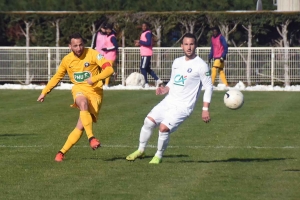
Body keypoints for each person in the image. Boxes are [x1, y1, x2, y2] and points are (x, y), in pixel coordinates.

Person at [126, 33, 213, 164]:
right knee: (148, 122)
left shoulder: (201, 65)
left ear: (196, 46)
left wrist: (205, 109)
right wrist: (164, 89)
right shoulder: (177, 62)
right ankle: (141, 150)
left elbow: (209, 86)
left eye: (191, 44)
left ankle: (158, 156)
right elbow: (173, 81)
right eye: (186, 44)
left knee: (163, 128)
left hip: (184, 106)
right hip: (169, 101)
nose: (189, 47)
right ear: (181, 46)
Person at [37, 33, 114, 162]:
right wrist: (45, 91)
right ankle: (91, 138)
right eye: (75, 46)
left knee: (80, 126)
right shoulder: (67, 60)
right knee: (82, 103)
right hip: (79, 89)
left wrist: (94, 78)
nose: (78, 48)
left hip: (95, 93)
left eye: (80, 45)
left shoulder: (93, 54)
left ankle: (61, 153)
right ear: (70, 46)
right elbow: (57, 77)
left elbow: (109, 70)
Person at [135, 22, 163, 88]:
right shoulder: (144, 33)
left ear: (147, 26)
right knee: (147, 68)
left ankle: (146, 83)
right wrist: (139, 44)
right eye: (142, 26)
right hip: (144, 53)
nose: (143, 27)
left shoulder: (148, 33)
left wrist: (140, 42)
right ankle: (158, 80)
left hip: (146, 53)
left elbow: (148, 43)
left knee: (142, 68)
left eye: (145, 26)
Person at [102, 23, 118, 88]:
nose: (107, 31)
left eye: (109, 29)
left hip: (111, 55)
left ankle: (106, 84)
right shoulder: (106, 36)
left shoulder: (112, 37)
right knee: (104, 68)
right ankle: (114, 73)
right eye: (106, 29)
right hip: (106, 55)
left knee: (107, 70)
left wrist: (107, 49)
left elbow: (116, 46)